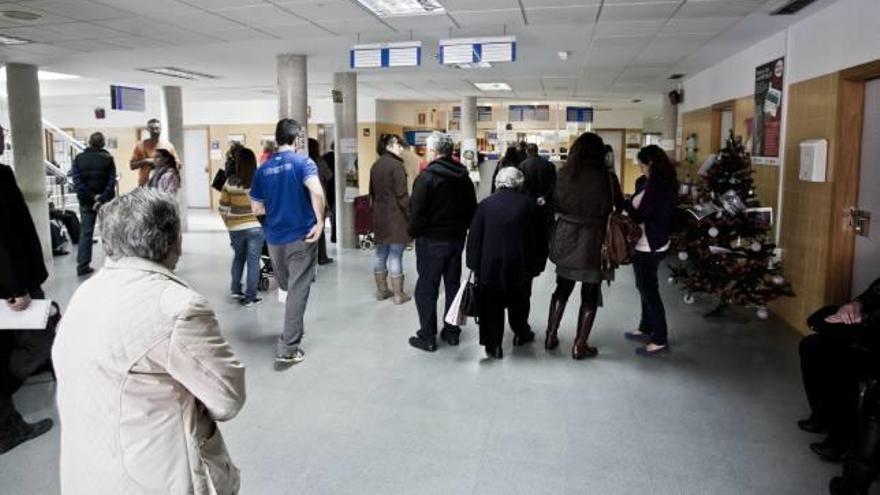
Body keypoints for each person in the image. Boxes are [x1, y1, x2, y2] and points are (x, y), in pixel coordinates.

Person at [53, 189, 246, 494]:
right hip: (156, 474)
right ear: (174, 241)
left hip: (90, 469)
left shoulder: (85, 294)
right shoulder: (178, 307)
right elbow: (227, 398)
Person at [250, 119, 326, 370]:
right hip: (301, 237)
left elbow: (257, 207)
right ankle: (288, 349)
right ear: (297, 140)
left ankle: (291, 332)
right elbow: (316, 190)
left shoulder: (263, 168)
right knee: (296, 289)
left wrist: (270, 226)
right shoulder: (303, 162)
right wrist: (320, 220)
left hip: (274, 239)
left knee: (286, 284)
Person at [0, 124, 54, 455]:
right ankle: (7, 426)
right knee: (34, 337)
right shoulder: (0, 177)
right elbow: (3, 238)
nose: (6, 138)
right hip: (10, 286)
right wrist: (14, 288)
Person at [546, 132, 622, 360]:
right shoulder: (608, 179)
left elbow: (554, 203)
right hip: (595, 241)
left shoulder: (564, 175)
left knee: (562, 288)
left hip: (567, 235)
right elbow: (617, 206)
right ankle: (580, 345)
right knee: (590, 293)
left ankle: (551, 335)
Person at [467, 167, 547, 359]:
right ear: (520, 183)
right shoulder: (530, 206)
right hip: (521, 264)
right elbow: (541, 238)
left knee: (491, 304)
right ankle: (521, 333)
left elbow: (475, 238)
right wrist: (538, 264)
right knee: (520, 300)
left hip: (490, 265)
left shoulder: (485, 205)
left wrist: (473, 263)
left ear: (498, 183)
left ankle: (493, 345)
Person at [407, 132, 477, 352]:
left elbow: (416, 213)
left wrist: (414, 233)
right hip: (456, 240)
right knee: (453, 286)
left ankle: (427, 336)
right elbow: (471, 210)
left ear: (434, 151)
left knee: (426, 288)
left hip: (431, 241)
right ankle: (452, 332)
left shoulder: (427, 178)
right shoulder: (463, 177)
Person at [798, 278, 880, 463]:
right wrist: (855, 305)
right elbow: (873, 294)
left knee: (844, 360)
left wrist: (867, 321)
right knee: (811, 346)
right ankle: (821, 415)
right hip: (870, 329)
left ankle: (841, 441)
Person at [622, 145, 678, 356]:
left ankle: (660, 338)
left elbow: (639, 216)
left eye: (642, 164)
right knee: (642, 286)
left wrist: (626, 203)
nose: (640, 168)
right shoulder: (655, 183)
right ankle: (646, 327)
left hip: (650, 245)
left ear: (651, 163)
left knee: (649, 291)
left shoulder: (658, 187)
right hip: (648, 243)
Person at [219, 147, 265, 307]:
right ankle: (250, 298)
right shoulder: (259, 181)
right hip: (256, 227)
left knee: (239, 258)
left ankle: (236, 289)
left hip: (235, 227)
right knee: (253, 262)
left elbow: (223, 207)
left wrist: (229, 223)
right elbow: (266, 206)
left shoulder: (230, 182)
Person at [369, 133, 411, 304]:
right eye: (398, 145)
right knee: (395, 255)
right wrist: (410, 215)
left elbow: (371, 192)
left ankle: (382, 291)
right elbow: (402, 195)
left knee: (380, 254)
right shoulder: (397, 166)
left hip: (379, 215)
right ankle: (399, 295)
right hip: (396, 217)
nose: (401, 149)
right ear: (389, 145)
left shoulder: (375, 165)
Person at [70, 131, 117, 276]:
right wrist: (101, 198)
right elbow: (112, 180)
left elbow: (77, 182)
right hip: (106, 202)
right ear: (103, 143)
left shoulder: (78, 159)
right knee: (108, 231)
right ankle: (113, 264)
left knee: (86, 233)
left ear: (89, 142)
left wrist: (91, 197)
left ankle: (82, 266)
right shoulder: (108, 158)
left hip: (86, 202)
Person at [518, 142, 557, 237]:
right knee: (546, 232)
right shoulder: (549, 165)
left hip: (529, 203)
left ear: (527, 152)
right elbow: (554, 185)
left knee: (530, 231)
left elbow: (521, 186)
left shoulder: (522, 165)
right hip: (546, 204)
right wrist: (545, 197)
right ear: (537, 151)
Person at [130, 118, 177, 187]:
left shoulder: (168, 146)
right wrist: (146, 161)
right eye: (152, 128)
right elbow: (132, 165)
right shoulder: (140, 145)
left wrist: (162, 163)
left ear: (161, 129)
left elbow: (177, 164)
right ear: (148, 130)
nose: (155, 131)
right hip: (145, 186)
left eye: (157, 128)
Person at [308, 138, 334, 265]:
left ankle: (309, 259)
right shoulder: (319, 162)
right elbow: (329, 175)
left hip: (304, 199)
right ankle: (322, 256)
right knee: (320, 226)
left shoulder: (301, 161)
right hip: (318, 196)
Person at [321, 142, 337, 244]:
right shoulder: (339, 157)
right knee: (336, 213)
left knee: (331, 212)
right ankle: (335, 235)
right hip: (337, 189)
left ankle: (333, 235)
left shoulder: (323, 158)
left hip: (326, 189)